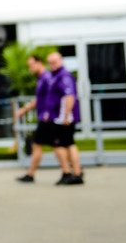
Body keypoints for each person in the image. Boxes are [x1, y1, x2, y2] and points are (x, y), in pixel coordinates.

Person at [45, 51, 84, 185]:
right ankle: (74, 172)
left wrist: (66, 115)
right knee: (67, 143)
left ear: (61, 61)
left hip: (63, 118)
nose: (52, 65)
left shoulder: (64, 76)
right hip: (58, 117)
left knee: (62, 144)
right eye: (50, 62)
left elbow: (69, 96)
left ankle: (70, 172)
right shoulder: (55, 76)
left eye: (54, 62)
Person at [14, 54, 52, 182]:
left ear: (39, 62)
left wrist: (47, 113)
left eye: (31, 65)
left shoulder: (46, 78)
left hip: (48, 117)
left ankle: (71, 171)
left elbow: (52, 98)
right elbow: (39, 99)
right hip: (45, 116)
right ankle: (72, 171)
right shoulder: (42, 78)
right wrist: (25, 109)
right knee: (58, 145)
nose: (30, 68)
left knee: (59, 145)